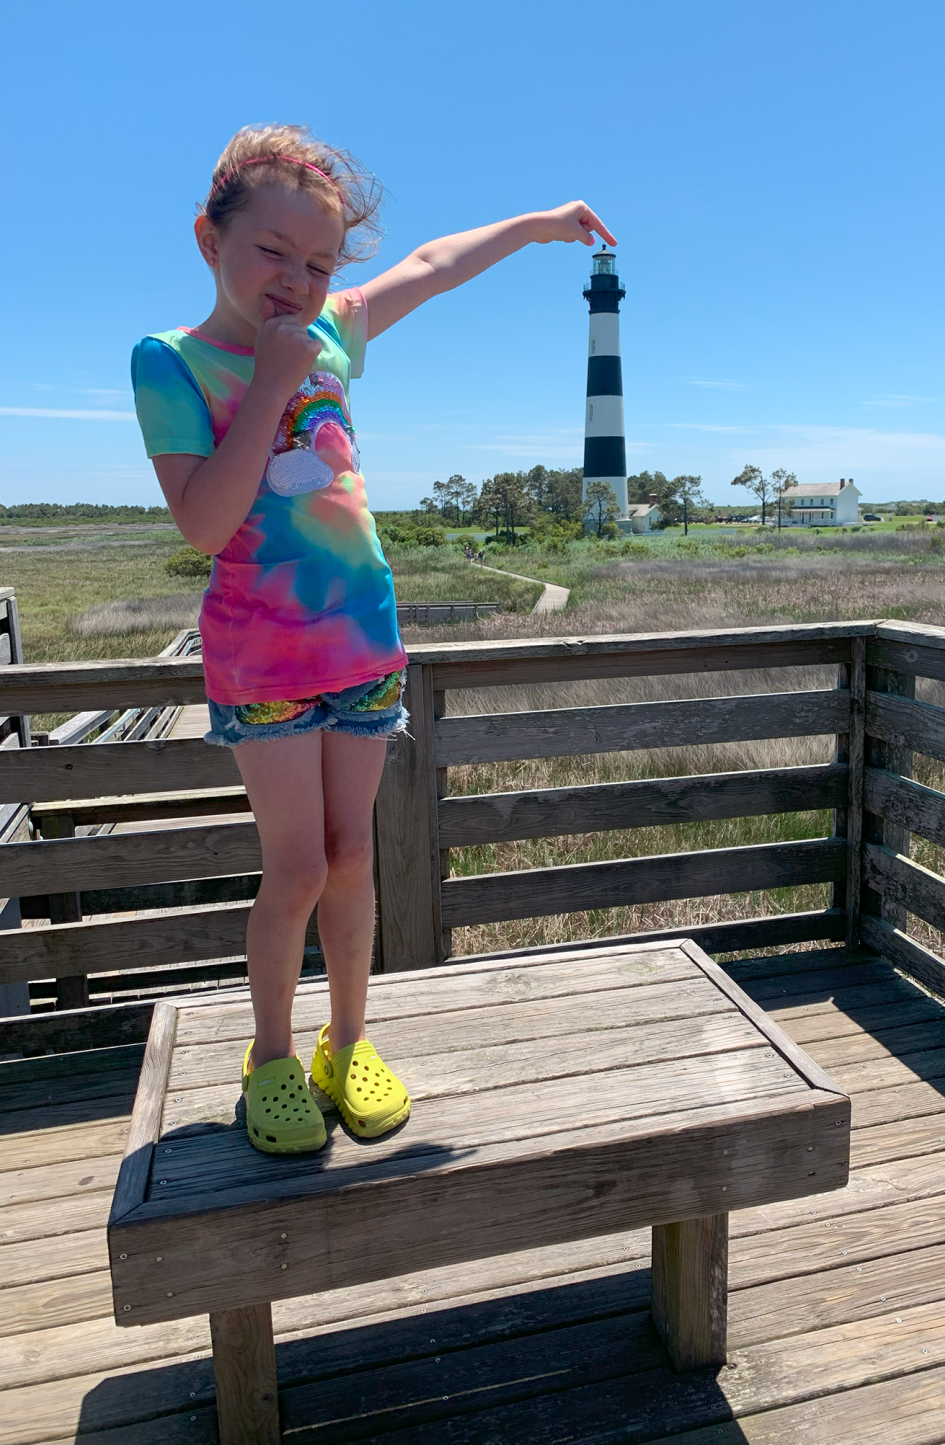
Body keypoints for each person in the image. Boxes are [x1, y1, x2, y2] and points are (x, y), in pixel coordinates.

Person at [131, 124, 613, 1155]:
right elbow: (205, 525)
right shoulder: (171, 361)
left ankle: (346, 1044)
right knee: (295, 867)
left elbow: (432, 266)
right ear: (207, 239)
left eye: (317, 263)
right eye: (272, 252)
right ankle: (269, 1056)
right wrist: (270, 380)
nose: (296, 280)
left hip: (362, 646)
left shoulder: (341, 331)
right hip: (263, 659)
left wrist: (535, 227)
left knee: (352, 857)